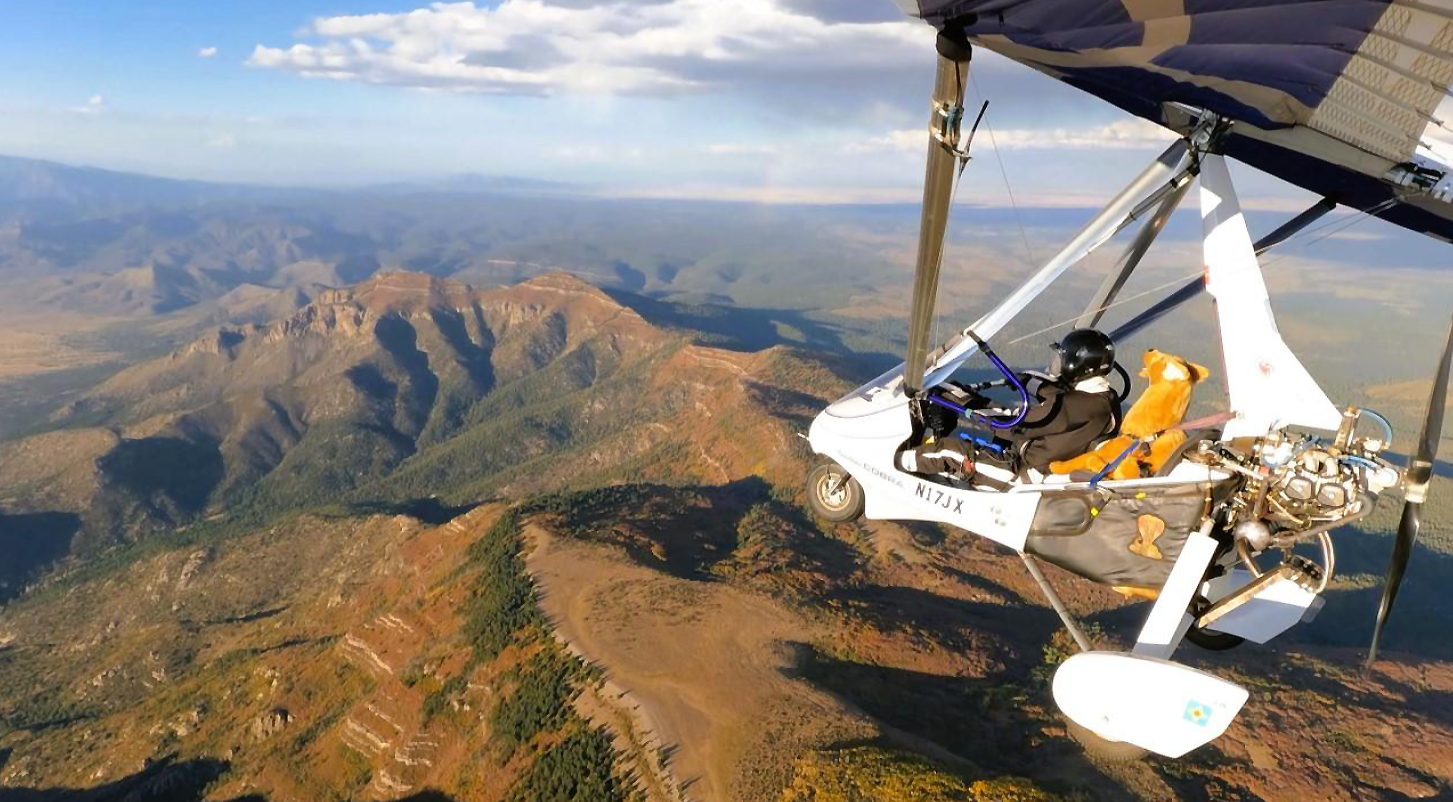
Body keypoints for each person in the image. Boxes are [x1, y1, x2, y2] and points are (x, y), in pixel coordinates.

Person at [900, 328, 1121, 479]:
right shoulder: (1103, 399)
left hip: (1018, 469)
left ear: (1079, 365)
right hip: (1034, 459)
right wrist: (1029, 381)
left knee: (946, 452)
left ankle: (899, 462)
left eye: (1063, 358)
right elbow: (1059, 396)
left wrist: (963, 401)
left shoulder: (1073, 407)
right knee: (974, 407)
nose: (1059, 363)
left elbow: (1012, 425)